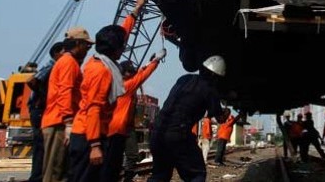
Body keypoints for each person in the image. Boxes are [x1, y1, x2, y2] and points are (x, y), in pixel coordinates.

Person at [147, 55, 228, 182]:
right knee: (196, 174)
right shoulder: (210, 90)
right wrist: (226, 111)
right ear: (215, 77)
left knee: (160, 176)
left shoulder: (183, 79)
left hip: (157, 132)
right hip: (178, 135)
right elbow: (220, 118)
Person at [69, 24, 127, 182]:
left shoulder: (98, 63)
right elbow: (94, 108)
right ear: (115, 47)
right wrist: (95, 145)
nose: (124, 49)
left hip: (89, 133)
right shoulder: (102, 71)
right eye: (122, 45)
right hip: (88, 136)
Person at [102, 52, 164, 182]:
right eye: (129, 72)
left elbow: (138, 73)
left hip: (125, 127)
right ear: (123, 73)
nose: (132, 74)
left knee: (130, 155)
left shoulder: (121, 82)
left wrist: (149, 62)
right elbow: (142, 77)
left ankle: (123, 177)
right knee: (115, 159)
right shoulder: (126, 86)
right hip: (117, 128)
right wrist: (156, 61)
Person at [41, 27, 93, 182]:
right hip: (59, 123)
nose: (88, 50)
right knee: (54, 172)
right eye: (86, 46)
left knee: (60, 171)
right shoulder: (69, 63)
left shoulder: (67, 62)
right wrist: (69, 122)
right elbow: (65, 92)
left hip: (59, 121)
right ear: (77, 43)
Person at [27, 42, 65, 182]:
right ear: (56, 53)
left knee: (43, 147)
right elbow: (32, 81)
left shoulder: (54, 66)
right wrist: (44, 95)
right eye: (63, 52)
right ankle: (37, 177)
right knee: (41, 147)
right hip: (39, 111)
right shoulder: (52, 66)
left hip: (41, 111)